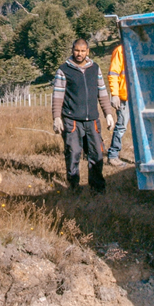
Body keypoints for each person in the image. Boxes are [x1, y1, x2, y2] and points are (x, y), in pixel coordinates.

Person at [52, 39, 115, 193]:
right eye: (76, 50)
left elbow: (102, 92)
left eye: (82, 51)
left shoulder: (95, 68)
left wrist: (108, 114)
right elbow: (58, 95)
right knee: (73, 153)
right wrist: (56, 117)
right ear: (72, 50)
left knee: (96, 154)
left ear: (88, 51)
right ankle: (74, 187)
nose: (79, 54)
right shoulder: (64, 70)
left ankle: (97, 188)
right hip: (72, 120)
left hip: (92, 120)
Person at [106, 43, 128, 167]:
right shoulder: (120, 51)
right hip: (125, 97)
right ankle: (113, 156)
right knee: (121, 127)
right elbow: (113, 74)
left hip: (140, 97)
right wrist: (115, 94)